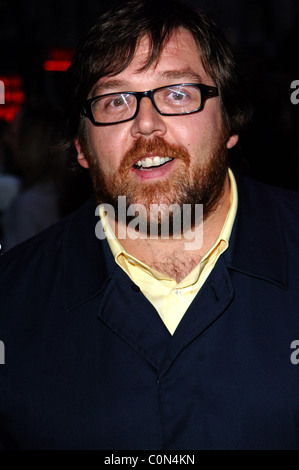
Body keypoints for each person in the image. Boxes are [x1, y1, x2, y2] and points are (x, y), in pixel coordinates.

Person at [0, 0, 299, 451]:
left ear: (230, 123)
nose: (146, 123)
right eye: (115, 99)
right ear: (82, 148)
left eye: (178, 92)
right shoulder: (11, 302)